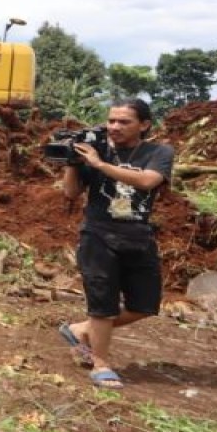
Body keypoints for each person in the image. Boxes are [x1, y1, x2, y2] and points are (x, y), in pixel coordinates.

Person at [58, 99, 174, 390]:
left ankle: (79, 330)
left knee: (146, 305)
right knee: (103, 305)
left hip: (138, 235)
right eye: (111, 121)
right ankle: (100, 363)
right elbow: (71, 193)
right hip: (98, 235)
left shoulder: (158, 152)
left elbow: (148, 182)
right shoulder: (95, 148)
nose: (115, 127)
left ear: (144, 125)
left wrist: (100, 164)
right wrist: (73, 163)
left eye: (124, 122)